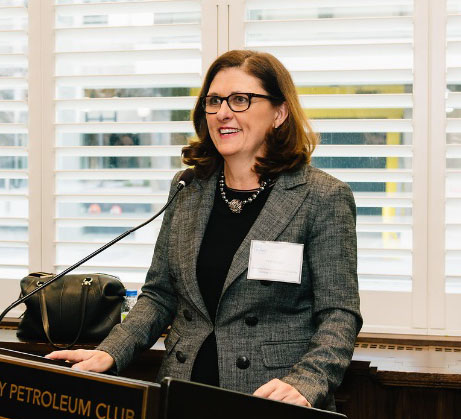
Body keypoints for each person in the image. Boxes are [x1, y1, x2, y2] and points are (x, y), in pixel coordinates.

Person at [47, 50, 362, 411]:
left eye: (241, 100)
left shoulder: (322, 196)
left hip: (273, 399)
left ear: (279, 112)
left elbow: (339, 313)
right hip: (185, 390)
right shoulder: (188, 188)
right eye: (214, 101)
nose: (223, 112)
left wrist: (308, 381)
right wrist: (110, 353)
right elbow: (159, 295)